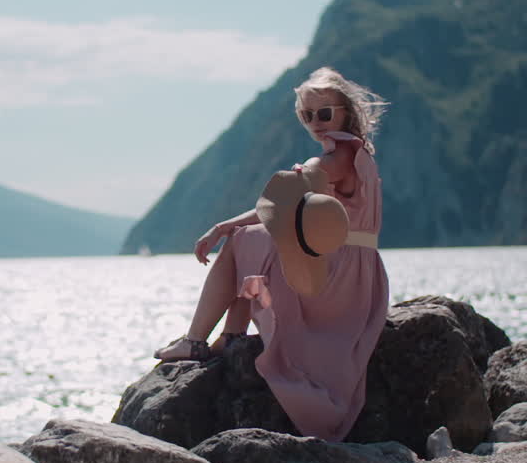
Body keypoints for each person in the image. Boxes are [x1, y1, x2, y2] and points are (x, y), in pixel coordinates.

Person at [152, 66, 389, 441]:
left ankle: (197, 340)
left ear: (345, 112)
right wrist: (229, 225)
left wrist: (223, 227)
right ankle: (231, 335)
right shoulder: (358, 154)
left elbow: (283, 202)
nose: (315, 123)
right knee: (252, 237)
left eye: (324, 113)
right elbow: (286, 207)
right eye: (306, 115)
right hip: (358, 274)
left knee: (243, 239)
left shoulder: (337, 157)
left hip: (334, 274)